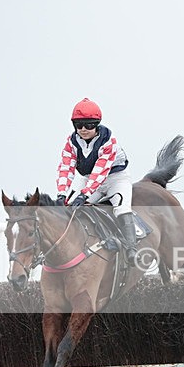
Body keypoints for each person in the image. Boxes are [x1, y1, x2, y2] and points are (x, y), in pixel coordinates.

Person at [55, 98, 138, 264]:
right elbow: (66, 168)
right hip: (89, 179)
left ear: (97, 124)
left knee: (121, 209)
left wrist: (84, 195)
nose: (84, 129)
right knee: (70, 208)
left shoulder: (109, 141)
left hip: (115, 178)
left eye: (89, 125)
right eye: (79, 125)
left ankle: (131, 249)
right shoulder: (71, 143)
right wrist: (61, 194)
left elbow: (100, 171)